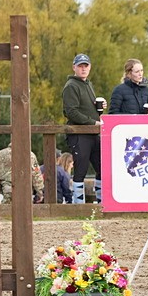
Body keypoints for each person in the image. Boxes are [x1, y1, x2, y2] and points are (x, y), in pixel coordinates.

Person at [62, 53, 102, 204]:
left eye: (86, 66)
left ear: (90, 67)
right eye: (80, 66)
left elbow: (85, 108)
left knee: (101, 167)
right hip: (79, 134)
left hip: (92, 134)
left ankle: (100, 202)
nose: (83, 69)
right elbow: (71, 112)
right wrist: (92, 122)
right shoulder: (71, 86)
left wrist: (98, 109)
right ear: (74, 68)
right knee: (81, 170)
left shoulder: (87, 84)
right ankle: (78, 206)